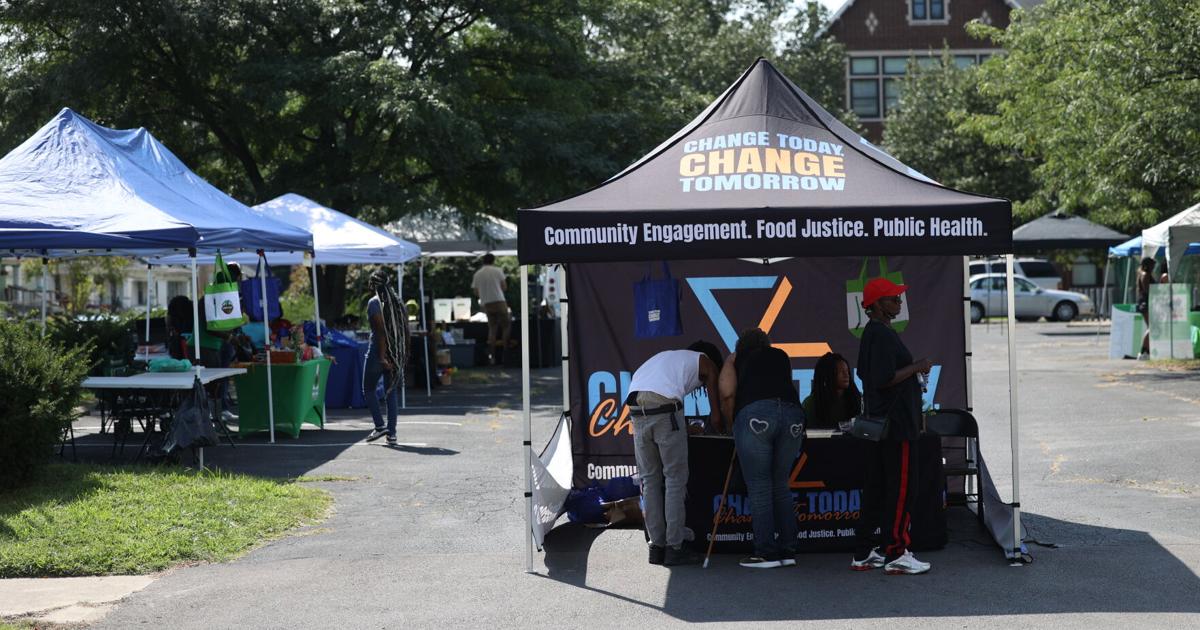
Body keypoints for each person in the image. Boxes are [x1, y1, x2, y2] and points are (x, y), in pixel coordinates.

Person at [851, 277, 933, 575]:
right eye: (894, 299)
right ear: (877, 305)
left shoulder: (872, 334)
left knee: (878, 488)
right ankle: (897, 552)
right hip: (896, 426)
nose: (899, 303)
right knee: (900, 490)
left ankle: (863, 552)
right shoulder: (881, 335)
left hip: (883, 424)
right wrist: (917, 366)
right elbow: (883, 378)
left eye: (899, 298)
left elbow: (864, 373)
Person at [626, 341, 723, 566]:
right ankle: (675, 546)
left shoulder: (667, 359)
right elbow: (715, 417)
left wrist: (682, 428)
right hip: (665, 410)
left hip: (636, 408)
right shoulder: (704, 360)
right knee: (675, 479)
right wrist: (720, 424)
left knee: (649, 480)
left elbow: (658, 409)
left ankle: (656, 546)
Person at [717, 328, 804, 569]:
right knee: (780, 484)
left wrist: (730, 423)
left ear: (741, 346)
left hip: (756, 415)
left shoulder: (737, 358)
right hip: (793, 415)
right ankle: (788, 549)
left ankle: (766, 552)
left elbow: (727, 393)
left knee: (759, 487)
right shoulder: (781, 355)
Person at [364, 270, 410, 446]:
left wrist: (382, 357)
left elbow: (380, 331)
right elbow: (405, 332)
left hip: (379, 352)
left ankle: (380, 425)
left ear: (373, 286)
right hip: (396, 354)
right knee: (391, 393)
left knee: (368, 389)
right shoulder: (399, 303)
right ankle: (392, 434)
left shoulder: (374, 303)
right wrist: (399, 355)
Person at [802, 352, 862, 431]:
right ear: (827, 374)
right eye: (841, 371)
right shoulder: (811, 403)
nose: (846, 375)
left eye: (847, 371)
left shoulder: (859, 399)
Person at [472, 253, 510, 365]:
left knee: (492, 329)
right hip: (499, 300)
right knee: (506, 326)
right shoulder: (497, 271)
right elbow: (504, 287)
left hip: (487, 303)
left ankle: (492, 356)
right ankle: (505, 354)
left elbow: (475, 291)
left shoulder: (478, 274)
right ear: (493, 261)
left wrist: (483, 297)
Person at [1137, 257, 1156, 359]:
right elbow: (1147, 290)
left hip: (1146, 302)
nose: (1154, 267)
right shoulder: (1145, 274)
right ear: (1148, 265)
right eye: (1152, 265)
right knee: (1151, 327)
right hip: (1146, 303)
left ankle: (1147, 351)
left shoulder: (1145, 274)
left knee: (1151, 327)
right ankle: (1143, 352)